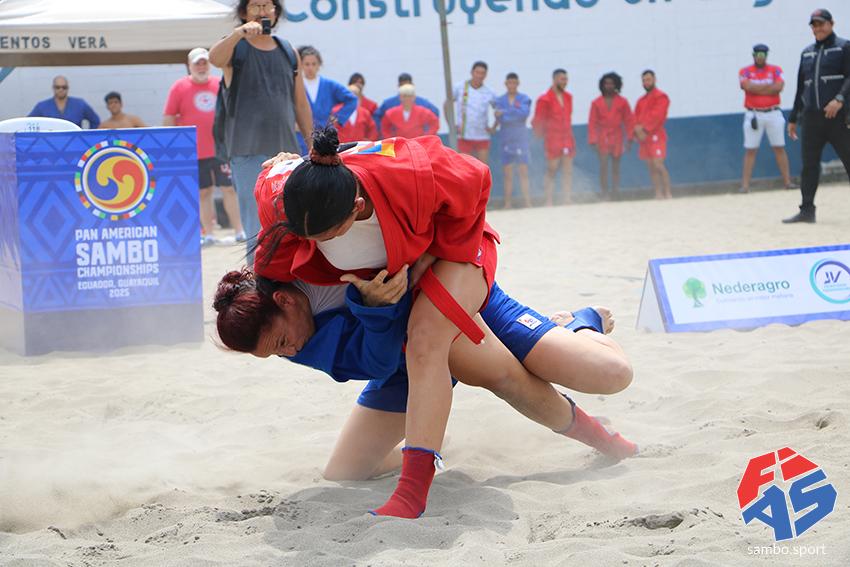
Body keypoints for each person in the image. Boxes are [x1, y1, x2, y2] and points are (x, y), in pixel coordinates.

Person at [213, 267, 637, 484]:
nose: (290, 353)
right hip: (403, 362)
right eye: (275, 353)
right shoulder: (291, 336)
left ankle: (578, 324)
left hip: (461, 309)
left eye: (281, 342)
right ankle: (434, 443)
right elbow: (376, 363)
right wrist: (373, 309)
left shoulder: (324, 260)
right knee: (344, 474)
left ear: (285, 301)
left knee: (611, 374)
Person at [208, 0, 313, 262]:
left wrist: (312, 144)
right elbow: (214, 58)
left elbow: (300, 103)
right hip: (247, 151)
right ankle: (257, 279)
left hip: (286, 152)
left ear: (276, 12)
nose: (263, 11)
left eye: (268, 5)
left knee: (289, 218)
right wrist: (238, 34)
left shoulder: (288, 51)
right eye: (256, 5)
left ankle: (287, 276)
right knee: (255, 222)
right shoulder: (235, 47)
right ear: (244, 12)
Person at [164, 47, 245, 246]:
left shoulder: (219, 83)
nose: (201, 67)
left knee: (229, 189)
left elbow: (233, 112)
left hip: (221, 148)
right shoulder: (179, 87)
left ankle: (239, 231)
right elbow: (169, 118)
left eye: (204, 63)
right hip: (194, 150)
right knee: (203, 192)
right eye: (197, 63)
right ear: (189, 66)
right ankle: (208, 234)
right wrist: (173, 145)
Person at [784, 9, 850, 224]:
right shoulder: (807, 53)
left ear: (831, 23)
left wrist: (840, 99)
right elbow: (801, 88)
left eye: (821, 24)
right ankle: (806, 210)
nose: (817, 28)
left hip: (838, 118)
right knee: (809, 166)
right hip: (812, 119)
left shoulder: (844, 47)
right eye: (814, 25)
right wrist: (793, 118)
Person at [738, 43, 795, 194]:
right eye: (758, 55)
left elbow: (779, 87)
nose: (760, 57)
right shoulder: (745, 71)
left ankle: (787, 182)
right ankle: (745, 186)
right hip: (753, 114)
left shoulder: (776, 70)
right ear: (753, 55)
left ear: (766, 56)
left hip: (773, 113)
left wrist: (756, 88)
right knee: (750, 149)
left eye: (763, 55)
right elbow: (747, 87)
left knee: (779, 147)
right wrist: (769, 88)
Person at [297, 45, 358, 153]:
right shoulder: (296, 85)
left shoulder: (329, 85)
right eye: (307, 64)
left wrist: (338, 117)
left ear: (319, 65)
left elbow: (352, 99)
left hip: (323, 135)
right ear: (301, 65)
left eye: (314, 64)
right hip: (301, 135)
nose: (310, 68)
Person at [532, 69, 576, 206]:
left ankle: (567, 198)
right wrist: (539, 135)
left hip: (567, 138)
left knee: (568, 171)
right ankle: (548, 200)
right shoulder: (544, 99)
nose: (565, 82)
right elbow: (538, 120)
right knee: (552, 169)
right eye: (562, 79)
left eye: (566, 79)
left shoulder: (568, 97)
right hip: (553, 138)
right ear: (554, 79)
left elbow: (568, 117)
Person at [588, 72, 634, 200]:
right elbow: (592, 122)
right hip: (603, 137)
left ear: (616, 85)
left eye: (611, 83)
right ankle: (604, 193)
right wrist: (593, 140)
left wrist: (630, 138)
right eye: (606, 83)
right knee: (603, 166)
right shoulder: (596, 103)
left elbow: (629, 120)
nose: (609, 86)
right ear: (602, 85)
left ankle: (615, 192)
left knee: (616, 166)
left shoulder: (623, 102)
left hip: (617, 136)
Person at [492, 73, 532, 209]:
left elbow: (523, 115)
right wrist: (512, 113)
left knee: (523, 172)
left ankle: (527, 202)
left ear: (518, 83)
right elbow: (500, 118)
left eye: (514, 82)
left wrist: (505, 113)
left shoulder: (525, 98)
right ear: (506, 84)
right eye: (509, 82)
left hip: (521, 138)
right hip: (506, 139)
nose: (512, 85)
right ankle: (507, 203)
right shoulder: (499, 100)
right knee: (507, 173)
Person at [633, 70, 672, 200]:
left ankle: (668, 193)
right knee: (650, 166)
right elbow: (635, 117)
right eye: (644, 80)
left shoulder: (661, 97)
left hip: (656, 136)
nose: (646, 82)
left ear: (654, 80)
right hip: (644, 139)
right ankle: (658, 193)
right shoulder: (640, 101)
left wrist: (644, 129)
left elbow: (658, 116)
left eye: (648, 80)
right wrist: (637, 131)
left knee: (658, 164)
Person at [448, 61, 496, 163]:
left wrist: (494, 127)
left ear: (486, 75)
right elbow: (447, 104)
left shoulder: (489, 92)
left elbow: (499, 110)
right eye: (477, 72)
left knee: (483, 167)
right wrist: (451, 124)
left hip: (482, 135)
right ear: (472, 72)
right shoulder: (460, 87)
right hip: (464, 135)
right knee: (465, 166)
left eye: (482, 73)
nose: (479, 76)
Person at [373, 73, 440, 136]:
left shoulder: (423, 103)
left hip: (417, 140)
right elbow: (378, 118)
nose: (407, 99)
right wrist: (387, 136)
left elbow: (434, 117)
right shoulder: (388, 104)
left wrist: (427, 135)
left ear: (412, 86)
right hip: (398, 141)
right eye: (402, 85)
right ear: (399, 86)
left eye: (408, 85)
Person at [28, 76, 100, 129]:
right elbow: (28, 123)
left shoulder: (80, 104)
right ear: (53, 88)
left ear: (68, 88)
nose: (61, 90)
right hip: (50, 142)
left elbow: (95, 121)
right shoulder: (42, 106)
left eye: (64, 87)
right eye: (57, 87)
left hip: (75, 142)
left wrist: (88, 137)